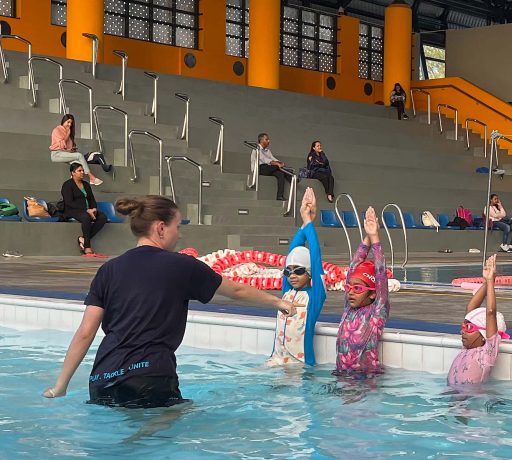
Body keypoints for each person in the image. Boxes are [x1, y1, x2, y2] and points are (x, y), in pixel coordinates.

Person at [42, 195, 296, 407]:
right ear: (160, 228)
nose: (180, 235)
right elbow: (237, 290)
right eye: (177, 227)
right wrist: (279, 303)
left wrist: (60, 386)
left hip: (102, 379)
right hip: (149, 377)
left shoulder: (108, 270)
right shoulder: (182, 266)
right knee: (170, 427)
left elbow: (85, 333)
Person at [267, 188, 326, 367]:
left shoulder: (315, 296)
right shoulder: (287, 292)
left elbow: (315, 257)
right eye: (288, 272)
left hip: (299, 365)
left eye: (298, 271)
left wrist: (308, 221)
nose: (292, 276)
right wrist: (304, 221)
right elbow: (292, 252)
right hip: (276, 361)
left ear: (309, 273)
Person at [335, 206, 389, 377]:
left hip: (364, 381)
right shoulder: (348, 309)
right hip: (341, 376)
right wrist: (367, 237)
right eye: (349, 287)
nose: (350, 292)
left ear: (373, 293)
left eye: (358, 288)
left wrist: (375, 237)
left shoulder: (376, 312)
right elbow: (353, 267)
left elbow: (380, 273)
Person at [447, 255, 510, 387]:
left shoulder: (486, 353)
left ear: (483, 335)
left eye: (469, 328)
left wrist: (491, 282)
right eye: (463, 327)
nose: (463, 331)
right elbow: (470, 309)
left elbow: (490, 313)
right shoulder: (466, 348)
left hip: (470, 398)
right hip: (451, 396)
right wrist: (487, 282)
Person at [61, 162, 108, 256]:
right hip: (73, 210)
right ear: (73, 173)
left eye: (82, 170)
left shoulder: (86, 184)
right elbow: (69, 202)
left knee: (102, 217)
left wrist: (94, 209)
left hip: (88, 210)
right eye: (79, 171)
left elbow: (92, 199)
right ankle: (87, 247)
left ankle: (83, 239)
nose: (82, 172)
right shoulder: (67, 185)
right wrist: (87, 210)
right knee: (86, 217)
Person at [50, 114, 103, 186]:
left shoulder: (68, 132)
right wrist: (68, 134)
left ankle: (73, 179)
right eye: (68, 122)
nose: (70, 124)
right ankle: (91, 177)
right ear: (63, 121)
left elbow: (68, 148)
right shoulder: (57, 130)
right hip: (56, 154)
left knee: (78, 164)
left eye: (71, 123)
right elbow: (61, 145)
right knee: (79, 155)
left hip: (65, 154)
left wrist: (72, 149)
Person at [251, 133, 292, 201]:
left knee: (280, 174)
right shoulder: (256, 149)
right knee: (277, 167)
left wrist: (280, 162)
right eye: (266, 139)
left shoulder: (268, 151)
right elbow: (265, 159)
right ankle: (291, 178)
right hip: (259, 168)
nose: (269, 141)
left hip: (268, 168)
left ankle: (279, 196)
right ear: (261, 140)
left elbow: (272, 158)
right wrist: (277, 164)